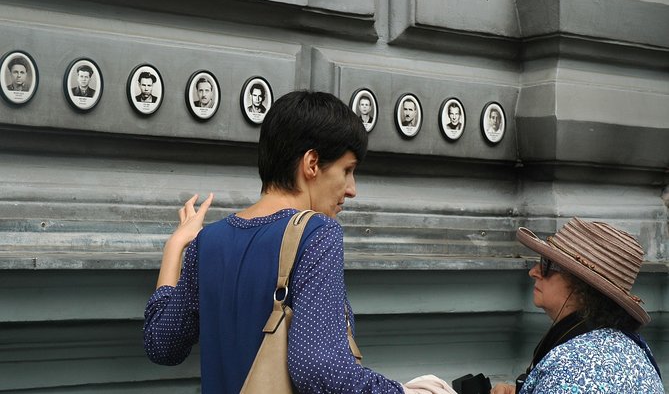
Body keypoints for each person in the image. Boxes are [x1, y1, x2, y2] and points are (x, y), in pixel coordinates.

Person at [143, 90, 455, 394]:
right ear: (312, 164)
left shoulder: (208, 241)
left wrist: (175, 246)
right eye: (347, 170)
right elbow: (317, 368)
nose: (352, 189)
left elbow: (161, 344)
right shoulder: (317, 233)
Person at [491, 218, 664, 394]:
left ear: (581, 286)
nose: (533, 271)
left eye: (546, 264)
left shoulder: (574, 368)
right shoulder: (630, 348)